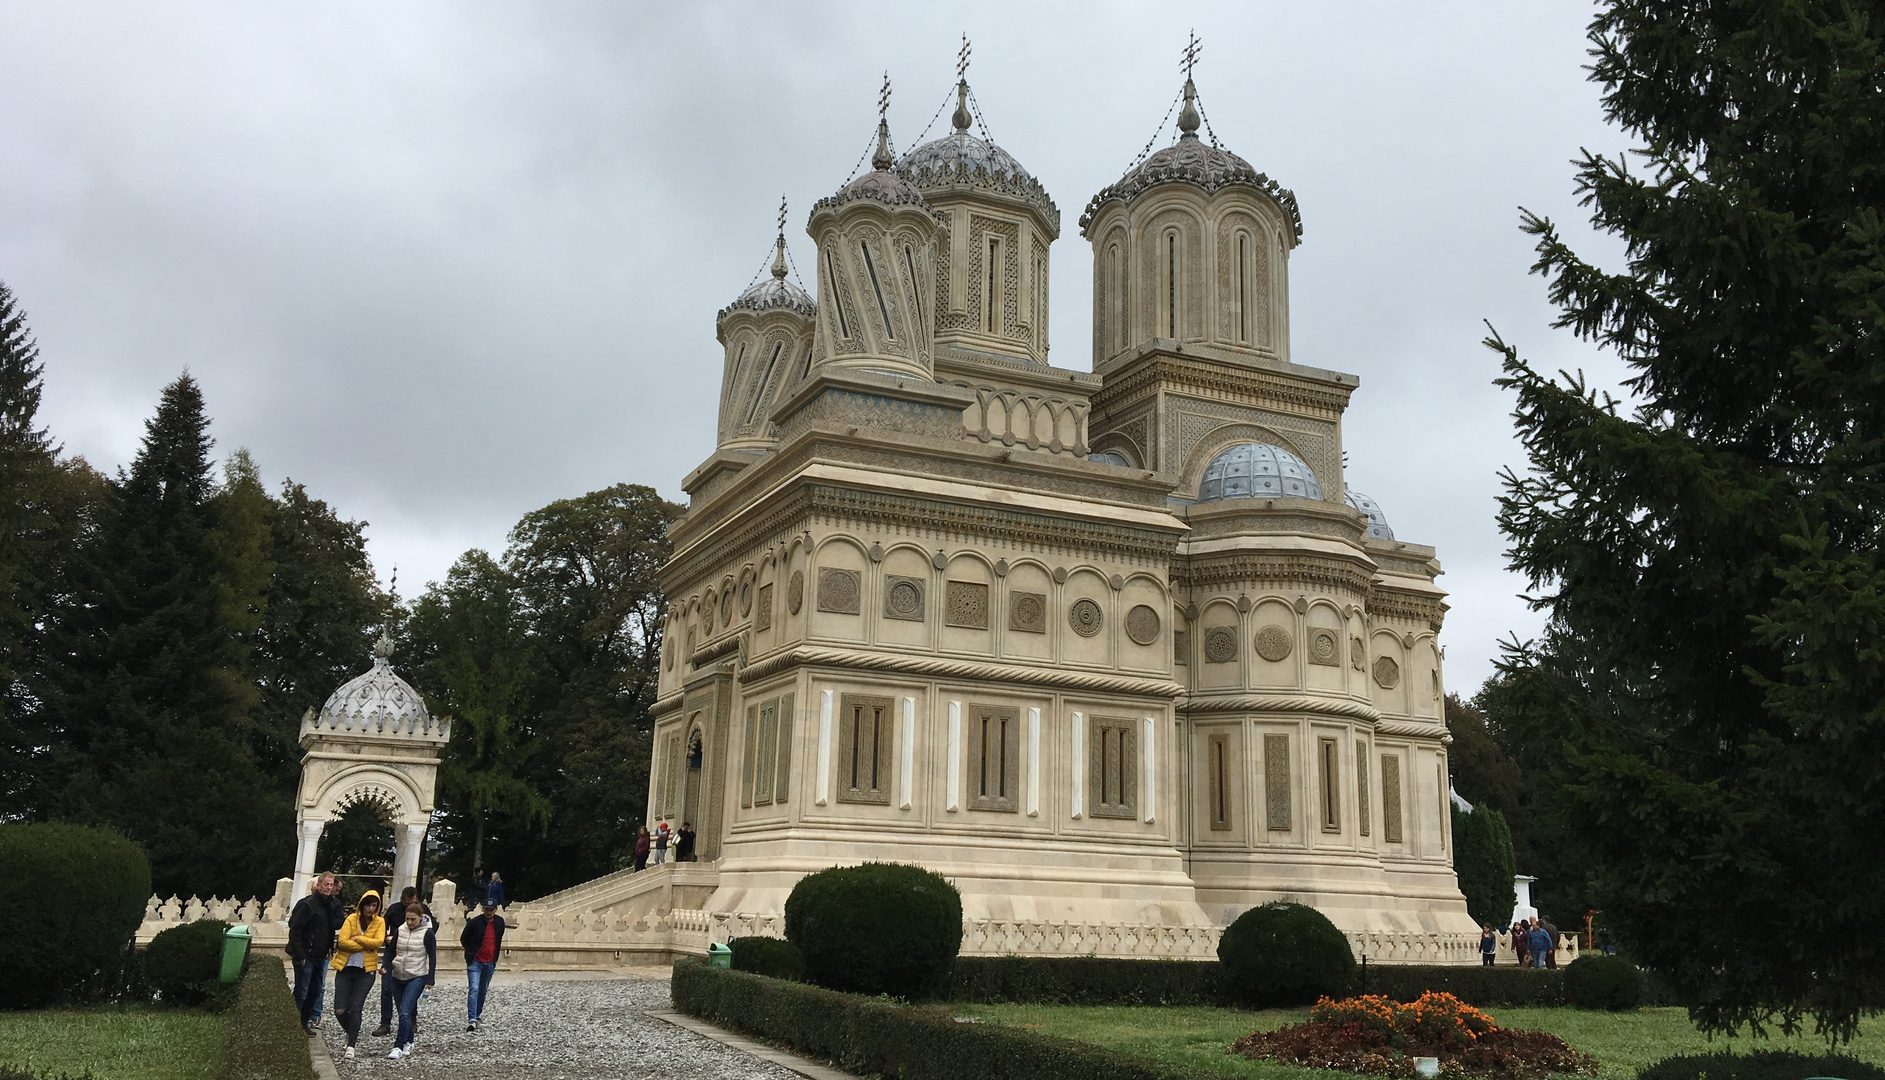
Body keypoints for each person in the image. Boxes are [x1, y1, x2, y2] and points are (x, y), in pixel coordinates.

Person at [329, 890, 386, 1059]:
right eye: (368, 905)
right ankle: (352, 1030)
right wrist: (366, 945)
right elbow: (343, 942)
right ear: (362, 904)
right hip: (345, 968)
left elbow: (378, 942)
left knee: (355, 1008)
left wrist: (358, 939)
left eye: (374, 905)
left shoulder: (380, 922)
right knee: (339, 1009)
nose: (370, 909)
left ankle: (351, 1043)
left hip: (365, 971)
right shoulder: (351, 919)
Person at [287, 872, 344, 1034]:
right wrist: (300, 955)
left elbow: (335, 924)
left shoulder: (332, 905)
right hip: (306, 955)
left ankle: (304, 1023)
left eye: (331, 885)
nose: (328, 887)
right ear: (318, 885)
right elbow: (295, 929)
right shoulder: (308, 905)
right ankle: (294, 1024)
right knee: (301, 992)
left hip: (321, 955)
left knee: (315, 991)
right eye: (326, 884)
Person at [381, 900, 436, 1059]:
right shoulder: (400, 930)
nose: (410, 922)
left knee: (405, 1012)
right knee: (403, 1012)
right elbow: (391, 951)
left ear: (421, 918)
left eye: (413, 919)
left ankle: (398, 1045)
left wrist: (430, 978)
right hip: (398, 975)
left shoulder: (428, 933)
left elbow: (432, 956)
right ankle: (410, 1040)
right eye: (407, 919)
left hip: (417, 976)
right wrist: (386, 965)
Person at [373, 887, 429, 1038]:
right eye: (407, 902)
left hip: (413, 956)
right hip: (394, 952)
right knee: (386, 990)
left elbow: (432, 928)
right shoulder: (393, 909)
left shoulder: (423, 910)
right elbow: (382, 926)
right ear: (402, 899)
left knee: (410, 989)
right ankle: (385, 1023)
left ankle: (410, 1019)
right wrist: (386, 937)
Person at [460, 898, 506, 1032]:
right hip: (475, 961)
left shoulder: (499, 923)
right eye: (487, 909)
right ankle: (472, 1018)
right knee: (474, 988)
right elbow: (464, 939)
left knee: (483, 989)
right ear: (483, 909)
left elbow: (498, 939)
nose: (489, 912)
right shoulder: (475, 923)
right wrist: (470, 952)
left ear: (496, 910)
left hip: (490, 961)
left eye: (491, 910)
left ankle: (477, 1014)